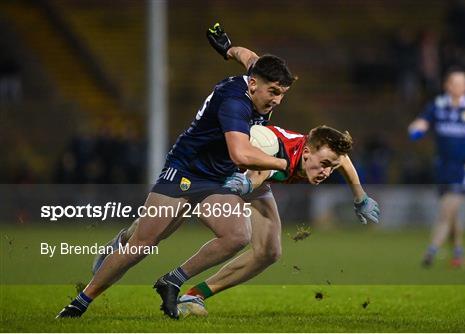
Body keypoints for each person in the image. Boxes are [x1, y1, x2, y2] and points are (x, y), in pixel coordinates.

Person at [57, 23, 295, 319]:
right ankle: (81, 301)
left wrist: (227, 49)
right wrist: (285, 163)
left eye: (282, 94)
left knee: (237, 234)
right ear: (253, 84)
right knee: (144, 244)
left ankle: (174, 280)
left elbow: (249, 57)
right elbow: (240, 152)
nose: (276, 100)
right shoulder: (235, 103)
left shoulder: (256, 77)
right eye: (273, 92)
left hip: (216, 179)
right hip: (185, 171)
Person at [97, 124, 380, 317]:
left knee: (269, 251)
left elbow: (343, 161)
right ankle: (121, 244)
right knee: (160, 230)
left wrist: (360, 196)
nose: (327, 171)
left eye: (331, 165)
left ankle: (194, 295)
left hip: (249, 181)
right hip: (214, 173)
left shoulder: (319, 153)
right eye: (325, 164)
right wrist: (247, 184)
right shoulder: (276, 147)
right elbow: (260, 168)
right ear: (308, 152)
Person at [408, 67, 465, 268]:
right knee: (453, 213)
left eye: (462, 83)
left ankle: (431, 250)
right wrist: (416, 130)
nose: (458, 87)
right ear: (447, 85)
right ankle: (458, 252)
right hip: (442, 166)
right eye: (454, 83)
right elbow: (421, 122)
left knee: (446, 209)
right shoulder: (438, 106)